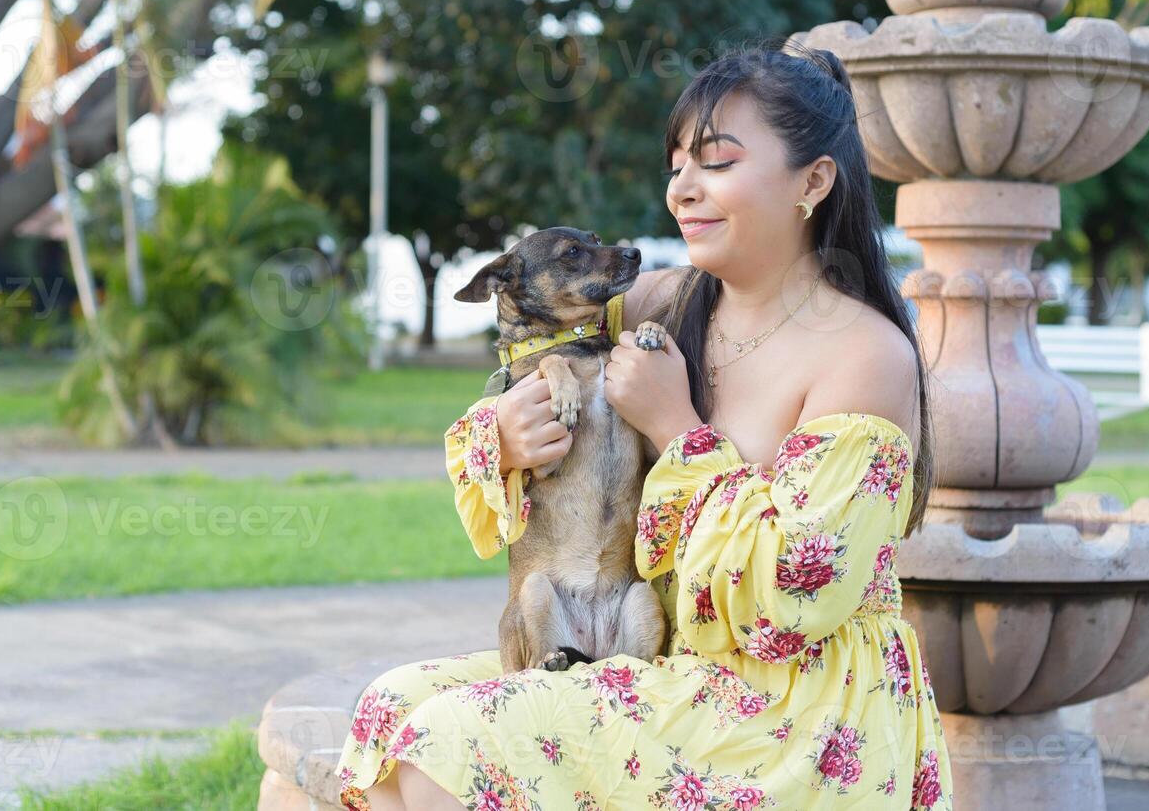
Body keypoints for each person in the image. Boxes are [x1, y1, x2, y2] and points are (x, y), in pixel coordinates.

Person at [334, 42, 954, 811]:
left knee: (449, 748)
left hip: (789, 708)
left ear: (814, 181)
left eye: (716, 163)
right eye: (676, 168)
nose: (682, 191)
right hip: (654, 655)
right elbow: (525, 356)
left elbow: (793, 600)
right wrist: (508, 427)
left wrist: (679, 425)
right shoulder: (665, 302)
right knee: (391, 707)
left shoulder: (866, 355)